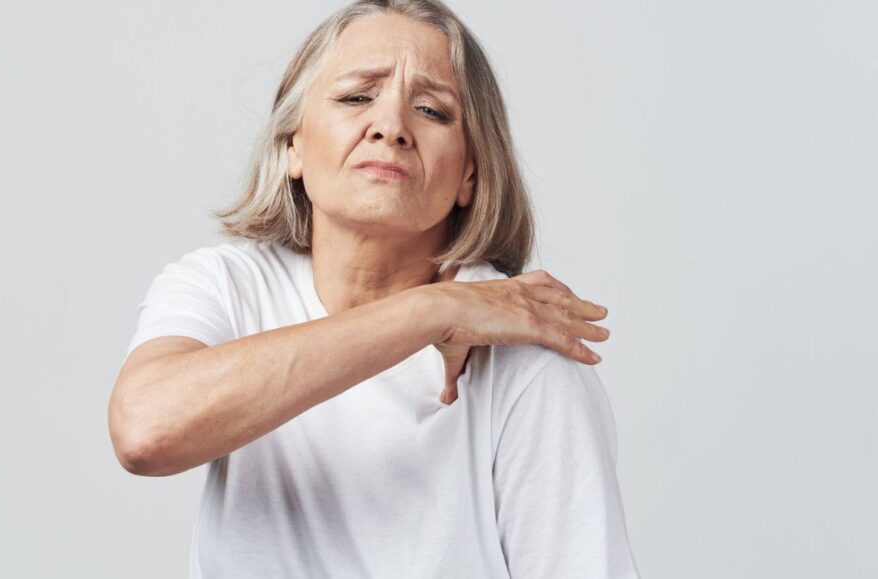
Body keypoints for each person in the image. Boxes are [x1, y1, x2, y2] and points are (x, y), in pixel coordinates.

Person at [108, 1, 641, 577]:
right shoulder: (225, 285)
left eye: (432, 111)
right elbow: (146, 433)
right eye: (356, 97)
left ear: (470, 174)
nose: (390, 127)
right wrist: (431, 311)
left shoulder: (528, 356)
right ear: (294, 145)